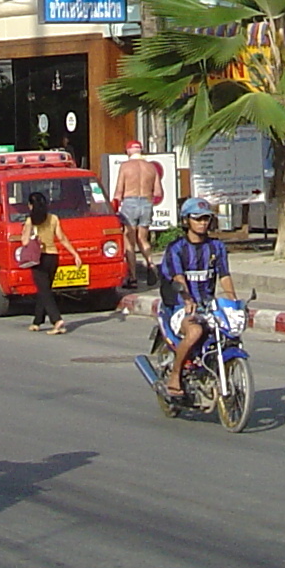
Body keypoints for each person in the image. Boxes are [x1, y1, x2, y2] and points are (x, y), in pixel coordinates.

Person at [156, 197, 235, 398]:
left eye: (206, 218)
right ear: (186, 221)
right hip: (180, 306)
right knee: (194, 332)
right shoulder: (176, 248)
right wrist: (187, 298)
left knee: (230, 332)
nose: (202, 223)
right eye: (197, 218)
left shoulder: (216, 247)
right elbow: (178, 277)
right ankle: (175, 375)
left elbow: (224, 275)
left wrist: (234, 301)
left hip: (208, 305)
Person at [20, 193, 73, 333]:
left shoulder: (31, 221)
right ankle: (37, 321)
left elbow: (24, 242)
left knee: (44, 291)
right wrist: (75, 254)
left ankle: (57, 320)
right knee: (44, 290)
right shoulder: (54, 218)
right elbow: (62, 238)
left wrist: (26, 233)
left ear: (31, 206)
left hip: (39, 258)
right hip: (53, 257)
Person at [112, 153, 163, 281]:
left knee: (129, 241)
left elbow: (119, 190)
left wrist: (114, 205)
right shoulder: (151, 167)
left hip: (130, 202)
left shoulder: (125, 166)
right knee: (143, 238)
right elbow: (158, 192)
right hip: (146, 202)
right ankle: (150, 263)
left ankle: (133, 277)